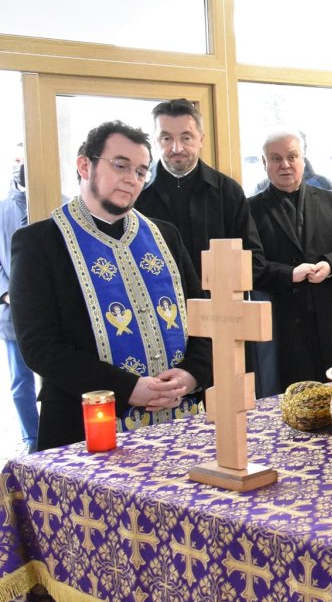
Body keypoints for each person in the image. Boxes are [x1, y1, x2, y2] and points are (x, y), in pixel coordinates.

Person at [10, 121, 213, 451]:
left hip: (181, 420)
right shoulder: (39, 242)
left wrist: (192, 374)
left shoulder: (165, 235)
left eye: (141, 170)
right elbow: (40, 345)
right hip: (85, 429)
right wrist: (127, 388)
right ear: (84, 165)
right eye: (120, 165)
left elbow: (202, 318)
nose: (132, 178)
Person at [249, 129, 332, 394]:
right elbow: (249, 267)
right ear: (264, 163)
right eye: (276, 158)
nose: (285, 165)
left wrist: (330, 266)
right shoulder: (250, 209)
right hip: (282, 326)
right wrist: (290, 273)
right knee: (291, 405)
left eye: (292, 156)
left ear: (303, 159)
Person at [136, 99, 266, 280]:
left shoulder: (228, 191)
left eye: (186, 137)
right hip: (158, 301)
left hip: (218, 302)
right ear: (156, 141)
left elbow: (253, 259)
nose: (177, 148)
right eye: (166, 138)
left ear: (201, 139)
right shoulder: (137, 191)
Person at [0, 159, 39, 453]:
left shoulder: (61, 202)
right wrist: (7, 293)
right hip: (13, 312)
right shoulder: (2, 210)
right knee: (20, 381)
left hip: (51, 310)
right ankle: (31, 438)